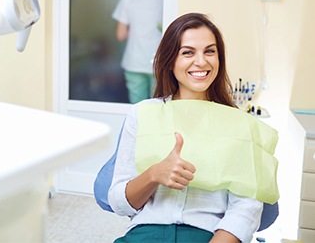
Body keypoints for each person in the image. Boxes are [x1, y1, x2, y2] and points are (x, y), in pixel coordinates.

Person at [108, 13, 273, 243]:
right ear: (170, 60)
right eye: (187, 52)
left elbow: (246, 209)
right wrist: (154, 174)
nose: (201, 61)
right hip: (145, 233)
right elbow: (119, 202)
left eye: (209, 51)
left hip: (207, 235)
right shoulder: (142, 114)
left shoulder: (238, 122)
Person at [112, 0, 163, 104]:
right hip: (159, 61)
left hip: (134, 61)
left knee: (136, 109)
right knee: (156, 107)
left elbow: (120, 35)